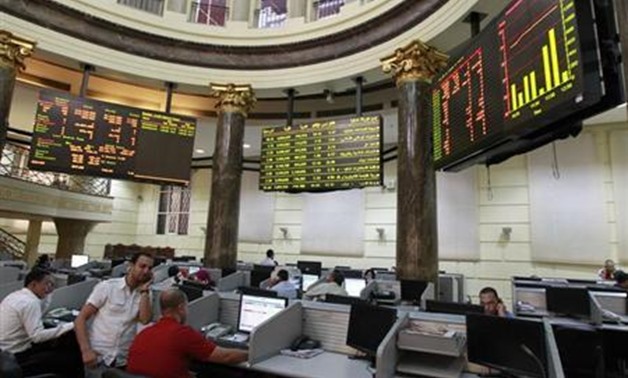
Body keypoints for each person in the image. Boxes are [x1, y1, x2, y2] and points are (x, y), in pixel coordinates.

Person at [126, 289, 248, 378]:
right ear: (180, 308)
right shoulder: (182, 333)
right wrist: (251, 353)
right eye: (186, 307)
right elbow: (226, 357)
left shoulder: (145, 332)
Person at [74, 252, 154, 375]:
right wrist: (86, 351)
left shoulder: (146, 294)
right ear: (131, 266)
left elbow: (145, 319)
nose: (145, 271)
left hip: (122, 361)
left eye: (149, 268)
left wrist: (144, 292)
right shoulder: (107, 287)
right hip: (98, 358)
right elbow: (80, 319)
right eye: (142, 266)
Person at [0, 268, 83, 377]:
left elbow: (40, 314)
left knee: (55, 344)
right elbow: (36, 336)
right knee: (70, 358)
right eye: (47, 284)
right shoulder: (30, 303)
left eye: (53, 285)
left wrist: (47, 293)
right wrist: (72, 325)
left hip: (4, 350)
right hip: (16, 353)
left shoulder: (15, 296)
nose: (51, 288)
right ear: (33, 284)